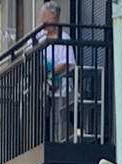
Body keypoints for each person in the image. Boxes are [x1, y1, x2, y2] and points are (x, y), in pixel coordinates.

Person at [37, 1, 76, 141]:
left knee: (59, 119)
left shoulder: (64, 38)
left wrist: (50, 72)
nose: (45, 24)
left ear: (57, 20)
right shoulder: (37, 38)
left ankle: (57, 141)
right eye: (43, 21)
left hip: (60, 87)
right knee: (41, 118)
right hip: (40, 88)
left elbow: (67, 62)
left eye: (48, 21)